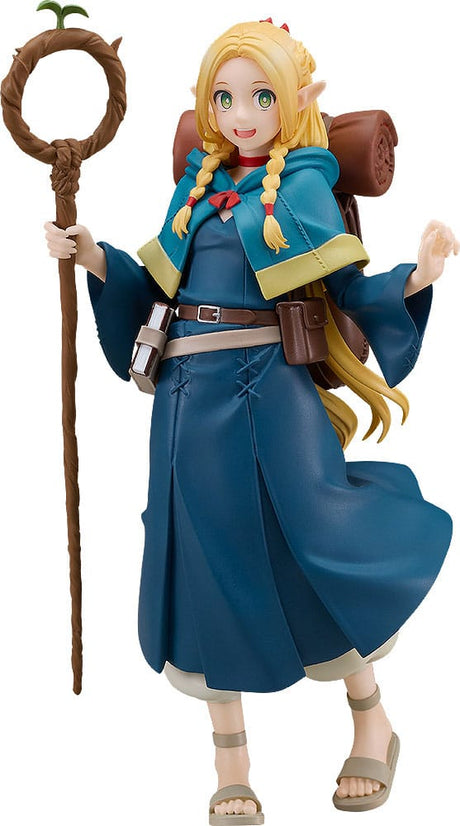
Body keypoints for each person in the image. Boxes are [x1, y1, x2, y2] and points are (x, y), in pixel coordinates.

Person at [44, 19, 457, 822]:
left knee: (312, 543)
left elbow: (348, 291)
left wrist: (416, 277)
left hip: (273, 394)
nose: (241, 115)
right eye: (225, 98)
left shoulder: (301, 188)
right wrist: (93, 256)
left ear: (298, 100)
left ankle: (372, 720)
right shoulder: (195, 189)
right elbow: (153, 287)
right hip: (187, 402)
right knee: (201, 559)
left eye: (262, 97)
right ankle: (230, 763)